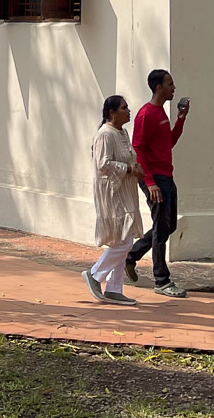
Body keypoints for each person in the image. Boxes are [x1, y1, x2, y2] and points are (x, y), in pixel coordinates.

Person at [127, 68, 189, 297]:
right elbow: (139, 149)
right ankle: (162, 280)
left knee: (169, 225)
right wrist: (150, 183)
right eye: (170, 84)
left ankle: (132, 256)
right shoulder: (146, 114)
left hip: (166, 176)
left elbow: (168, 143)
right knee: (161, 228)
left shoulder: (161, 113)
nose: (174, 88)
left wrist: (181, 120)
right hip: (154, 178)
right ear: (159, 87)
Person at [83, 95, 142, 306]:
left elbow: (128, 157)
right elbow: (102, 164)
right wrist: (127, 169)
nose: (129, 111)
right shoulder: (104, 135)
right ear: (112, 113)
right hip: (111, 192)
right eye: (125, 108)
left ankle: (114, 288)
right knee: (124, 239)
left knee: (123, 239)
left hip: (125, 191)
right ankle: (95, 274)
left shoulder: (122, 132)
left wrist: (135, 169)